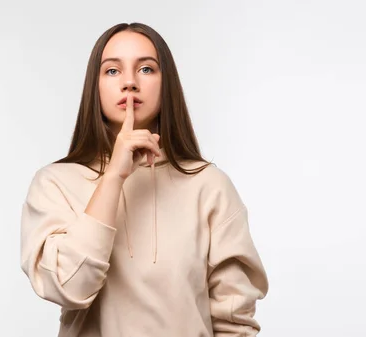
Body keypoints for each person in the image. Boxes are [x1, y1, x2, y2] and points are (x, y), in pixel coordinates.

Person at [19, 22, 269, 336]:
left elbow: (234, 320)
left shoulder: (210, 186)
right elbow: (69, 286)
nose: (129, 82)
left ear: (167, 84)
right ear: (93, 86)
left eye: (147, 69)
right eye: (112, 71)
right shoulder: (55, 184)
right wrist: (114, 177)